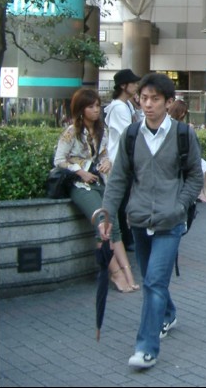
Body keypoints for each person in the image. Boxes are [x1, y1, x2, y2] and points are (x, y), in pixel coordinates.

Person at [99, 73, 204, 370]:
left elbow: (195, 176)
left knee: (154, 283)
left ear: (169, 103)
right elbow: (118, 179)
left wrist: (180, 206)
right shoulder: (132, 135)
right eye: (143, 98)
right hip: (139, 219)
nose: (148, 104)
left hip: (170, 223)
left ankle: (146, 348)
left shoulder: (183, 135)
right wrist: (107, 214)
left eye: (155, 99)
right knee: (151, 281)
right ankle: (168, 313)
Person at [55, 88, 138, 293]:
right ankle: (116, 274)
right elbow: (59, 160)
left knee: (115, 223)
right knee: (103, 223)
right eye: (91, 106)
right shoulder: (71, 132)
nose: (96, 110)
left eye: (98, 106)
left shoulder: (103, 131)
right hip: (79, 185)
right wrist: (79, 172)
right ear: (81, 109)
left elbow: (104, 156)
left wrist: (107, 162)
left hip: (100, 182)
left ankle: (128, 273)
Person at [104, 68, 142, 251]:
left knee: (125, 198)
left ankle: (126, 238)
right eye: (133, 83)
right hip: (119, 159)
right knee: (121, 200)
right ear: (123, 86)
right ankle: (123, 239)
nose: (136, 86)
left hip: (123, 158)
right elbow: (129, 133)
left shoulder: (126, 105)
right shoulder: (119, 107)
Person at [168, 100, 206, 203]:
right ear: (181, 112)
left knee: (204, 166)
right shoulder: (172, 123)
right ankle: (201, 192)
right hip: (180, 154)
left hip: (184, 153)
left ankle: (203, 191)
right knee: (201, 167)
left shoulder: (177, 123)